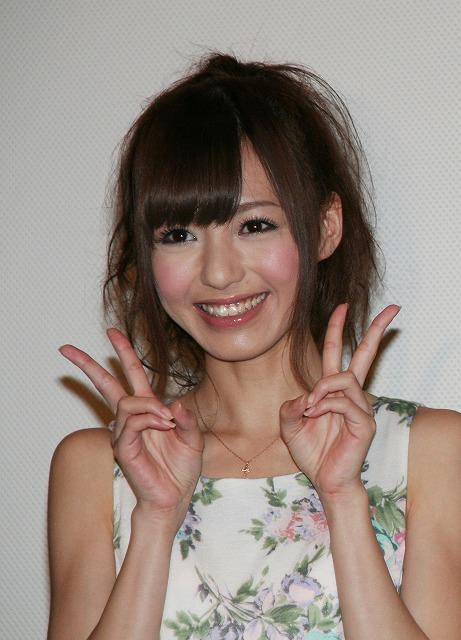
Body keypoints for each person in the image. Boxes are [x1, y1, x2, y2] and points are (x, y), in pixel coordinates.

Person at [47, 53, 461, 639]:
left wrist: (344, 499)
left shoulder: (430, 452)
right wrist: (156, 521)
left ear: (325, 227)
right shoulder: (98, 467)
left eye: (255, 225)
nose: (218, 273)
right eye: (179, 234)